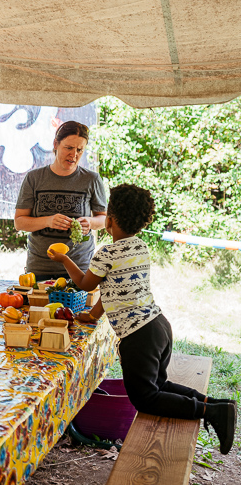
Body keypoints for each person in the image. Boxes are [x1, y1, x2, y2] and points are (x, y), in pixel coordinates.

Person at [48, 184, 237, 454]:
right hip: (158, 326)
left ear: (109, 221)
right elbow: (117, 289)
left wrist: (65, 259)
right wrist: (93, 314)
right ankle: (217, 404)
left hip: (138, 337)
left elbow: (86, 284)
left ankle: (210, 412)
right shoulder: (141, 247)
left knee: (146, 398)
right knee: (158, 386)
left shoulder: (106, 253)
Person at [14, 121, 107, 281]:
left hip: (79, 269)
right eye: (69, 148)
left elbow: (104, 219)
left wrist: (90, 222)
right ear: (56, 144)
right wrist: (48, 221)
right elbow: (19, 223)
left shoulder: (91, 179)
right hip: (40, 268)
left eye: (79, 150)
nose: (74, 155)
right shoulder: (34, 178)